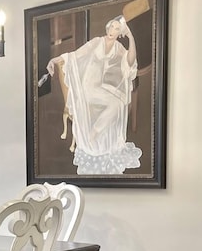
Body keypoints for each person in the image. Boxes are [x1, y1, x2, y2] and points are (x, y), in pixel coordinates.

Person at [46, 15, 142, 175]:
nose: (113, 31)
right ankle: (93, 135)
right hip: (88, 88)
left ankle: (94, 133)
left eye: (117, 29)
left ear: (120, 33)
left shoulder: (118, 48)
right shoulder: (97, 42)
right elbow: (74, 55)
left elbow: (130, 61)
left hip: (100, 88)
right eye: (111, 27)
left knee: (117, 103)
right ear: (107, 27)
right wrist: (54, 60)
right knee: (115, 103)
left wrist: (131, 36)